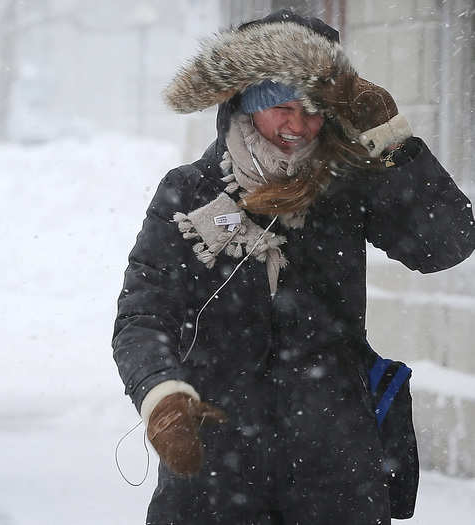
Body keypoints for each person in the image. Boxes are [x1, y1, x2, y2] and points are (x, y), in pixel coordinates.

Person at [112, 10, 475, 525]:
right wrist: (162, 394)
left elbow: (448, 243)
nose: (299, 127)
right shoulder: (190, 191)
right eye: (282, 107)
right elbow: (143, 317)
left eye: (313, 110)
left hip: (335, 474)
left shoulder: (348, 186)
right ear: (245, 103)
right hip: (217, 474)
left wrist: (391, 136)